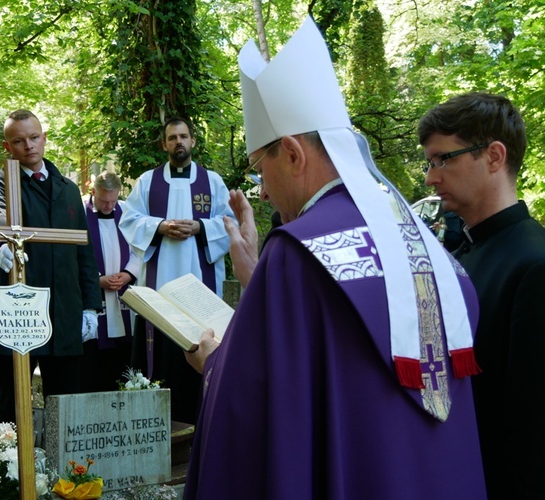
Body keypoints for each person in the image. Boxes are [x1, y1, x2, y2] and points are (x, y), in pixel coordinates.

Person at [183, 18, 486, 499]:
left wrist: (213, 361)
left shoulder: (296, 253)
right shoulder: (424, 246)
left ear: (292, 153)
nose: (262, 190)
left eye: (261, 168)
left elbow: (254, 402)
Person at [419, 92, 545, 499]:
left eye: (444, 159)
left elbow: (531, 434)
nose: (430, 178)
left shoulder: (535, 265)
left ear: (493, 156)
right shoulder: (455, 256)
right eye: (430, 162)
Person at [0, 109, 102, 423]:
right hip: (20, 314)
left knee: (66, 410)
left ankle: (67, 473)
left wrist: (90, 306)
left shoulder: (69, 189)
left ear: (44, 138)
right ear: (8, 147)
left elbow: (84, 254)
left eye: (34, 138)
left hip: (65, 314)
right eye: (19, 141)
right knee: (13, 410)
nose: (29, 146)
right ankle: (14, 470)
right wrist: (2, 241)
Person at [119, 116, 234, 424]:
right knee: (162, 356)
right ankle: (158, 423)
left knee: (201, 347)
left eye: (184, 136)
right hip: (160, 289)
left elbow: (230, 224)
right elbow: (128, 221)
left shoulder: (213, 182)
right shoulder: (147, 182)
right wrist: (159, 226)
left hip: (202, 289)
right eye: (172, 137)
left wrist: (200, 227)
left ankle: (203, 424)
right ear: (164, 144)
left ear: (193, 141)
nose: (179, 142)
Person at [82, 171, 142, 392]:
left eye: (113, 200)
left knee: (122, 358)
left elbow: (140, 250)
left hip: (123, 292)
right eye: (103, 201)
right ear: (93, 191)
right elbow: (73, 253)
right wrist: (97, 280)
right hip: (94, 292)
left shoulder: (127, 211)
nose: (109, 206)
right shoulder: (80, 212)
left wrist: (127, 274)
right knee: (94, 360)